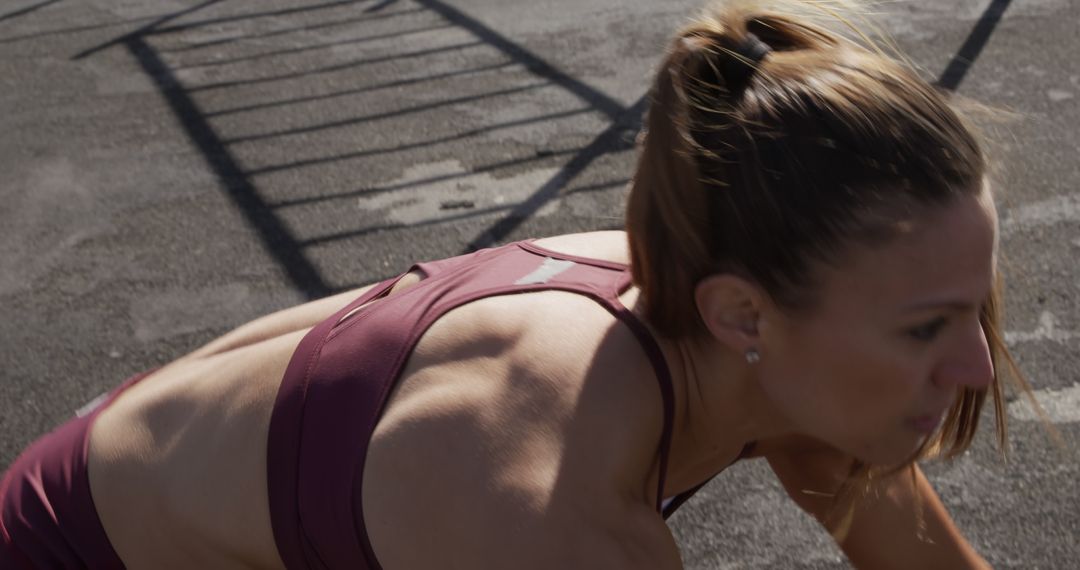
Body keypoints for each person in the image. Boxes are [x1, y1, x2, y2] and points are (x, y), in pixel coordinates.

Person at [1, 1, 1028, 568]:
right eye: (926, 327)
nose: (979, 359)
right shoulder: (546, 515)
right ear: (742, 314)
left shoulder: (759, 327)